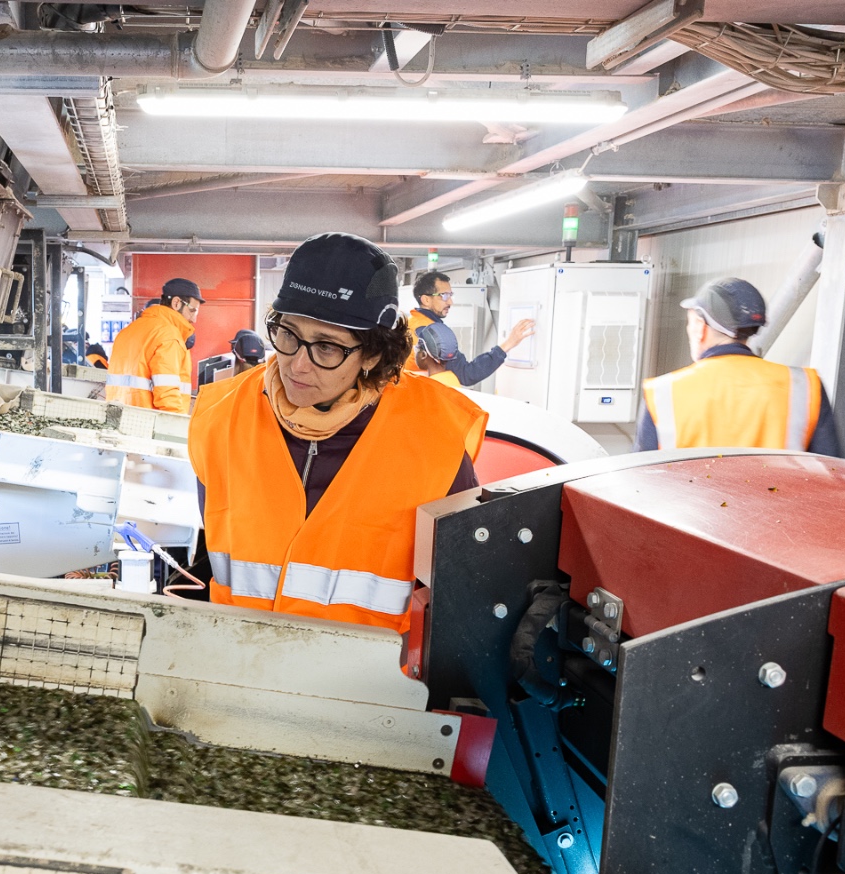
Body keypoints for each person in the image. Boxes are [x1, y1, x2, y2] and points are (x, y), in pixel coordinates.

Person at [190, 233, 487, 634]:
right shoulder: (221, 417)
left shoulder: (435, 437)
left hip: (369, 672)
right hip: (239, 659)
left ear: (373, 354)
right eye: (288, 334)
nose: (297, 365)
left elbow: (459, 591)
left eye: (327, 347)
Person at [637, 277, 841, 455]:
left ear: (700, 327)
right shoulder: (804, 386)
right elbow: (831, 472)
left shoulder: (663, 392)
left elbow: (638, 479)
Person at [406, 270, 535, 387]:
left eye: (450, 295)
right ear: (426, 300)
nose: (450, 302)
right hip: (426, 398)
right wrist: (508, 344)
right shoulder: (431, 334)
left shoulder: (409, 324)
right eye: (444, 296)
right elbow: (467, 374)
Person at [107, 279, 203, 411]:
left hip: (118, 417)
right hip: (147, 421)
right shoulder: (168, 336)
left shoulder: (126, 332)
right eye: (192, 310)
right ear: (176, 303)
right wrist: (177, 422)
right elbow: (167, 395)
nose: (194, 319)